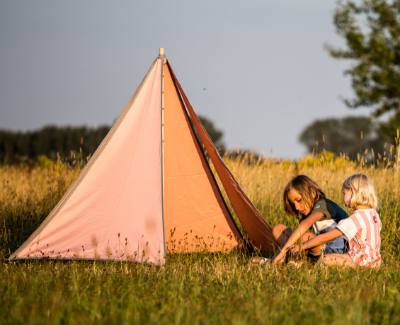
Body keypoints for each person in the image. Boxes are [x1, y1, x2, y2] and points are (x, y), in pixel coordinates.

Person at [291, 173, 381, 268]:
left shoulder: (354, 219)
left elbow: (324, 237)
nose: (343, 198)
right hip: (374, 260)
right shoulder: (374, 214)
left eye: (344, 193)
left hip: (361, 260)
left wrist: (301, 246)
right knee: (329, 257)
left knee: (325, 259)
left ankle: (360, 269)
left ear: (352, 192)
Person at [270, 174, 349, 265]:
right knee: (278, 229)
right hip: (319, 247)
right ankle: (284, 258)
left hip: (336, 252)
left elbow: (306, 224)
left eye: (299, 200)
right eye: (293, 203)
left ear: (312, 193)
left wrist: (283, 251)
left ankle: (283, 259)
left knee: (305, 237)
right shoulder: (310, 211)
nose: (296, 207)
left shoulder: (323, 205)